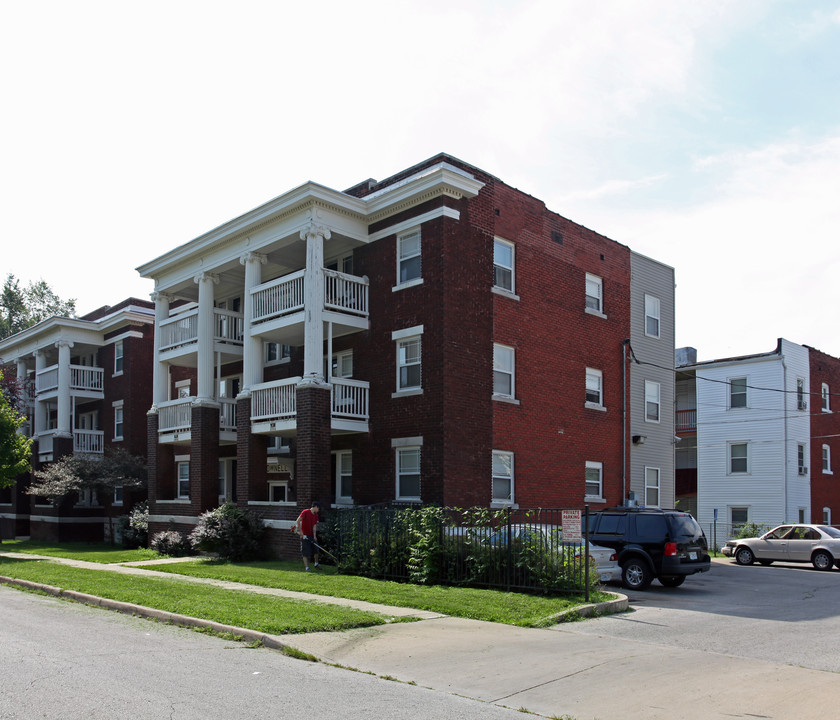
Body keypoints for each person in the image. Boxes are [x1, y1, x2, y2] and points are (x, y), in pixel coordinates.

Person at [295, 501, 321, 571]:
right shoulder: (305, 512)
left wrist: (315, 536)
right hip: (304, 535)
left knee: (316, 550)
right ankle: (307, 568)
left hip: (312, 535)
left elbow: (314, 526)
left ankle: (316, 564)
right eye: (318, 509)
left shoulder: (315, 515)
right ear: (315, 507)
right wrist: (301, 532)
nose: (318, 510)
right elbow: (298, 521)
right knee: (305, 552)